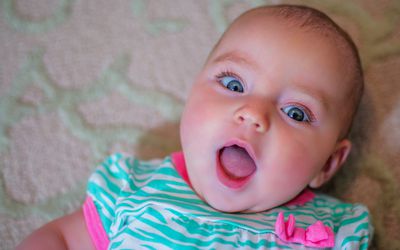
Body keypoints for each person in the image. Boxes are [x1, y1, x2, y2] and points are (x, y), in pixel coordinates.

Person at [17, 4, 373, 249]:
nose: (252, 113)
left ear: (327, 163)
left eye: (295, 112)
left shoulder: (333, 229)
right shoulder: (133, 189)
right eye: (234, 86)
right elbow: (60, 240)